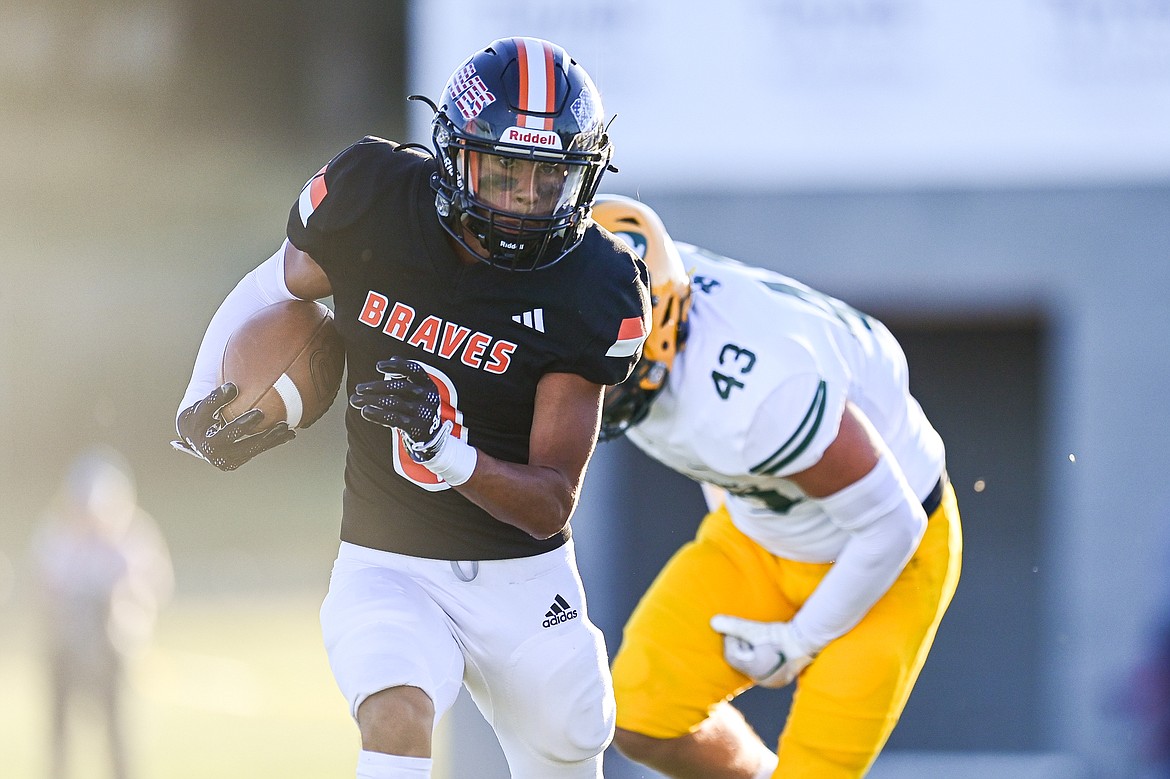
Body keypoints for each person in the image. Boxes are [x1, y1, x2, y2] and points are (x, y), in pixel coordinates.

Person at [172, 38, 650, 779]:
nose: (524, 200)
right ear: (454, 156)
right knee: (395, 709)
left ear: (581, 181)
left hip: (521, 576)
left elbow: (550, 502)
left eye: (546, 180)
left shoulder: (593, 285)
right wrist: (202, 394)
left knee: (571, 736)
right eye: (503, 172)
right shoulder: (374, 197)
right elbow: (280, 284)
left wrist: (444, 446)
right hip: (389, 559)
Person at [591, 195, 963, 779]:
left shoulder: (762, 394)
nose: (575, 388)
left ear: (655, 331)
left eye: (595, 369)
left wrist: (799, 641)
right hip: (760, 531)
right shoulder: (630, 279)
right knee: (640, 716)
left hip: (888, 556)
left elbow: (895, 524)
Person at [31, 446, 173, 779]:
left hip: (115, 650)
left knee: (118, 732)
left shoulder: (133, 539)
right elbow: (44, 590)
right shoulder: (56, 537)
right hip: (65, 646)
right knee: (60, 732)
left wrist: (123, 611)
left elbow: (153, 588)